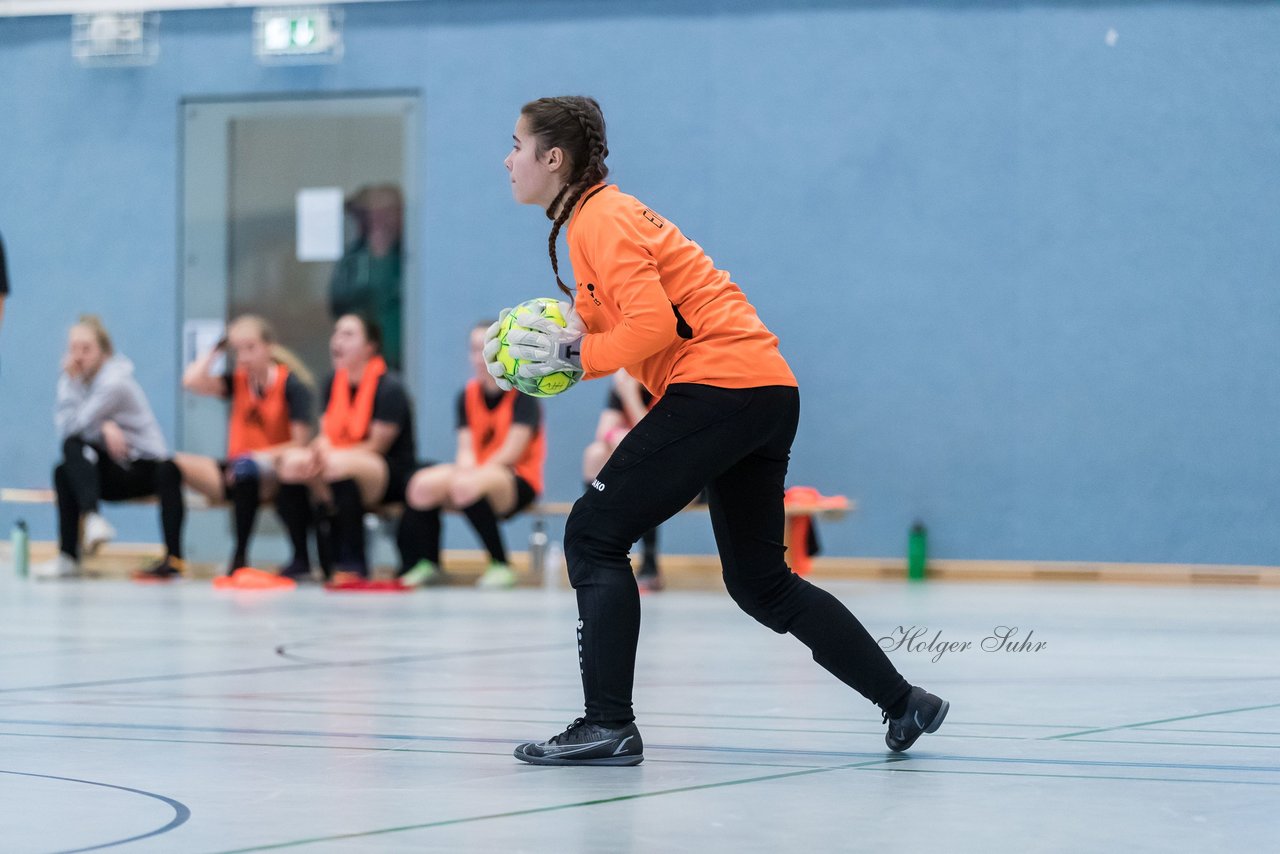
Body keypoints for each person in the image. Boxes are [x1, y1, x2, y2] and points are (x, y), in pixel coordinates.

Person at [489, 96, 948, 766]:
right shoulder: (602, 216)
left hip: (721, 385)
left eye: (516, 145)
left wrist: (575, 358)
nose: (507, 160)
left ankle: (607, 723)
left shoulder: (600, 220)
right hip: (761, 388)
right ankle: (904, 700)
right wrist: (537, 350)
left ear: (551, 159)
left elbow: (651, 328)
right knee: (761, 583)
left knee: (593, 533)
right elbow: (628, 323)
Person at [37, 315, 186, 580]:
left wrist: (101, 423)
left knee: (168, 469)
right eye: (73, 349)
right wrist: (103, 424)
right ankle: (69, 553)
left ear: (104, 352)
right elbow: (68, 429)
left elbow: (76, 425)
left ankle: (171, 557)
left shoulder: (114, 382)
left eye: (86, 349)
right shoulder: (79, 382)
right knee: (63, 469)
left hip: (143, 467)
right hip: (112, 466)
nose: (78, 356)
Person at [399, 322, 545, 589]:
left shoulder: (523, 394)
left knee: (464, 486)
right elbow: (465, 448)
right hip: (477, 473)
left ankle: (501, 563)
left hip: (515, 477)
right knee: (421, 484)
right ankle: (429, 563)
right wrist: (466, 468)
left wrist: (471, 475)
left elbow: (511, 452)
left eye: (486, 349)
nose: (479, 357)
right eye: (474, 350)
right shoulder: (466, 396)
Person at [278, 314, 415, 581]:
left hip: (386, 469)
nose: (337, 340)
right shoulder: (333, 381)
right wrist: (318, 450)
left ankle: (353, 561)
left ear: (370, 346)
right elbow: (329, 432)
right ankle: (301, 557)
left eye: (348, 334)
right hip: (340, 461)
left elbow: (377, 445)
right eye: (337, 333)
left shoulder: (390, 388)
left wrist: (328, 455)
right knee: (292, 464)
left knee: (336, 467)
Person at [175, 315, 315, 575]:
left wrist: (256, 456)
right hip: (240, 467)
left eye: (251, 348)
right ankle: (175, 558)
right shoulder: (238, 382)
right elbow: (191, 380)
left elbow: (300, 443)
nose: (244, 356)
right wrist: (218, 347)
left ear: (269, 347)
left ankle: (241, 554)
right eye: (238, 350)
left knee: (248, 469)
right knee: (173, 465)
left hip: (275, 467)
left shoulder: (292, 385)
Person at [582, 370, 662, 590]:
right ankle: (593, 541)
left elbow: (657, 442)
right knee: (595, 455)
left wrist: (630, 395)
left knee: (645, 464)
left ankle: (650, 565)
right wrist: (621, 438)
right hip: (642, 463)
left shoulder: (665, 384)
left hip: (682, 471)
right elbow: (604, 431)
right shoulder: (625, 383)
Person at [329, 185, 404, 372]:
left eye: (388, 213)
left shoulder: (408, 257)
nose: (381, 221)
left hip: (400, 353)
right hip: (362, 360)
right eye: (375, 214)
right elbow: (337, 300)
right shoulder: (354, 258)